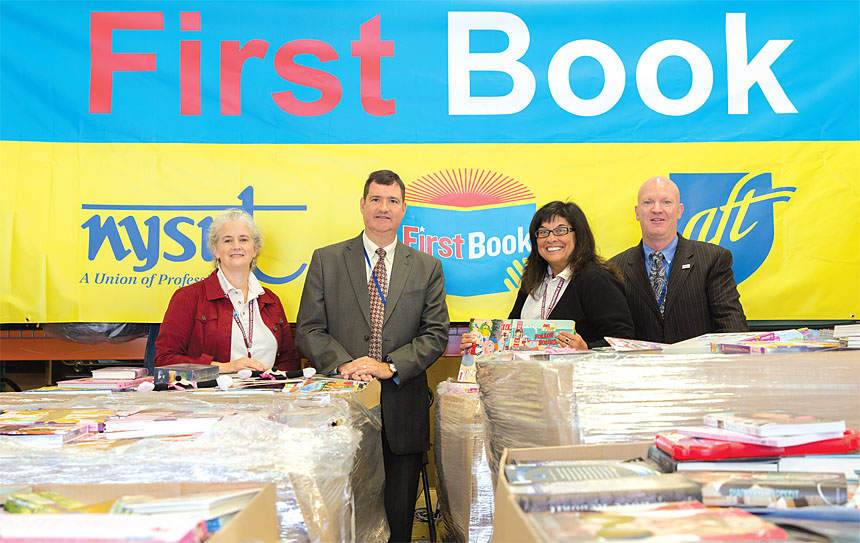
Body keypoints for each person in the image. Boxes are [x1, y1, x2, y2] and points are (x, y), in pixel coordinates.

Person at [295, 170, 449, 543]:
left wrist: (388, 366)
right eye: (376, 200)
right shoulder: (326, 259)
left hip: (402, 405)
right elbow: (308, 329)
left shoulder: (427, 267)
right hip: (342, 406)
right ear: (362, 205)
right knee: (343, 512)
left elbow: (436, 333)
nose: (384, 208)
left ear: (403, 209)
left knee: (397, 518)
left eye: (392, 201)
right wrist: (345, 365)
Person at [461, 200, 635, 352]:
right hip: (531, 382)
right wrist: (481, 343)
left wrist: (586, 349)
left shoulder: (596, 279)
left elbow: (624, 340)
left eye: (561, 230)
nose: (551, 239)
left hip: (578, 384)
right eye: (543, 232)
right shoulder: (532, 280)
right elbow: (510, 336)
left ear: (579, 235)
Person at [155, 208, 301, 373]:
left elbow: (290, 361)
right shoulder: (188, 297)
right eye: (228, 240)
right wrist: (227, 368)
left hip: (268, 394)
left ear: (255, 250)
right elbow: (165, 360)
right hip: (210, 396)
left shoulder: (271, 301)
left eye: (244, 239)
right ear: (215, 250)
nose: (236, 246)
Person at [609, 176, 748, 344]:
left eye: (666, 202)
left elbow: (731, 326)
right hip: (642, 368)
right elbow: (613, 333)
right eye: (648, 202)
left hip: (699, 367)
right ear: (637, 212)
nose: (657, 209)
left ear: (679, 210)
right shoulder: (615, 268)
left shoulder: (713, 259)